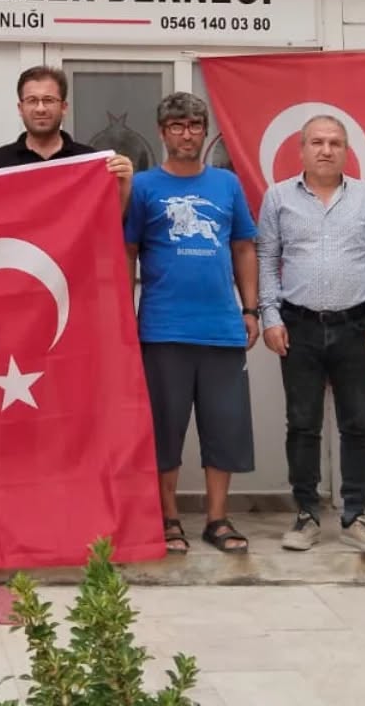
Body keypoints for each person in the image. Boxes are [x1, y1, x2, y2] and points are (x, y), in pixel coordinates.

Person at [124, 92, 259, 555]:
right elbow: (127, 251)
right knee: (165, 430)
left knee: (224, 427)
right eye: (177, 126)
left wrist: (251, 308)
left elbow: (243, 245)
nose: (187, 134)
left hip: (222, 327)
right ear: (163, 133)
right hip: (162, 327)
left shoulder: (226, 185)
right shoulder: (143, 187)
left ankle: (218, 519)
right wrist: (123, 310)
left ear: (204, 132)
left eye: (195, 125)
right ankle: (168, 518)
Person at [258, 115, 365, 554]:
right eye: (317, 142)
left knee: (357, 424)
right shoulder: (279, 197)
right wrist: (270, 316)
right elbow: (266, 258)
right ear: (300, 149)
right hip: (297, 326)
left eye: (335, 143)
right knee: (302, 424)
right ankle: (306, 515)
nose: (325, 150)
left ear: (346, 150)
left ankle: (356, 515)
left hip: (357, 326)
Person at [0, 66, 133, 211]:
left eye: (48, 100)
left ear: (64, 107)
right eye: (32, 100)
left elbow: (106, 222)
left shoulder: (89, 161)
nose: (40, 108)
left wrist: (123, 185)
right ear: (20, 108)